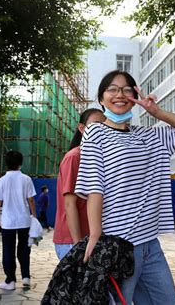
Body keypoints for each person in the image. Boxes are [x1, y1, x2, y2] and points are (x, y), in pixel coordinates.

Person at [74, 70, 175, 304]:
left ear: (134, 96)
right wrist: (96, 237)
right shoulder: (95, 132)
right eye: (112, 89)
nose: (120, 94)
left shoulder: (148, 136)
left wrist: (155, 112)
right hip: (118, 244)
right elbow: (94, 186)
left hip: (150, 242)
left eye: (126, 89)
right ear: (101, 99)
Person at [53, 108, 105, 260]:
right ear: (82, 128)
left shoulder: (97, 157)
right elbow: (70, 204)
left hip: (91, 238)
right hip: (73, 239)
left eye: (104, 126)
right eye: (95, 125)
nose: (101, 130)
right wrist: (78, 245)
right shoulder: (75, 157)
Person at [0, 151, 38, 291]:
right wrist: (34, 216)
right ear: (20, 163)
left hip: (8, 222)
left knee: (8, 250)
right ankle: (26, 277)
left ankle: (10, 280)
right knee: (24, 249)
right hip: (24, 220)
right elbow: (31, 200)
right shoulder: (26, 179)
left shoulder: (2, 181)